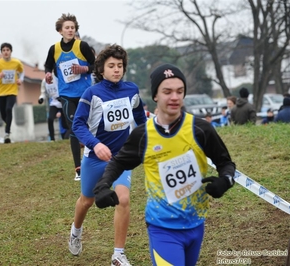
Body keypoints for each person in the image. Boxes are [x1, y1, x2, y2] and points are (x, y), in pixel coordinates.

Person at [93, 63, 236, 266]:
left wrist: (225, 181)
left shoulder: (201, 129)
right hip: (162, 227)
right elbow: (118, 162)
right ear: (155, 96)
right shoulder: (143, 135)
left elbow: (226, 163)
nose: (175, 97)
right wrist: (102, 186)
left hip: (196, 224)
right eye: (167, 91)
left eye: (180, 91)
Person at [70, 44, 146, 265]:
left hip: (121, 158)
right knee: (87, 201)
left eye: (120, 66)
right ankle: (76, 232)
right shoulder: (91, 93)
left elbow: (141, 119)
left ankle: (118, 255)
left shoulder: (132, 90)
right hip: (95, 158)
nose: (116, 70)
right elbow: (78, 125)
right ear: (101, 70)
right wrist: (95, 145)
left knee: (123, 199)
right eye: (111, 66)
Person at [44, 13, 96, 180]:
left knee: (90, 126)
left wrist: (84, 69)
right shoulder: (54, 49)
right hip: (66, 94)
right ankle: (78, 169)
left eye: (72, 27)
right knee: (75, 127)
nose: (70, 30)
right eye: (67, 27)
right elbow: (48, 65)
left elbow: (95, 64)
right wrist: (48, 75)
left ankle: (95, 158)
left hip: (85, 93)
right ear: (60, 31)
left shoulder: (82, 46)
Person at [0, 42, 24, 143]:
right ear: (1, 52)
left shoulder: (16, 63)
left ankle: (7, 134)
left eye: (7, 50)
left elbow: (22, 72)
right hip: (0, 92)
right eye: (3, 50)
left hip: (12, 91)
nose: (6, 52)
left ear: (11, 51)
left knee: (8, 109)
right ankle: (7, 124)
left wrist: (21, 79)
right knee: (3, 114)